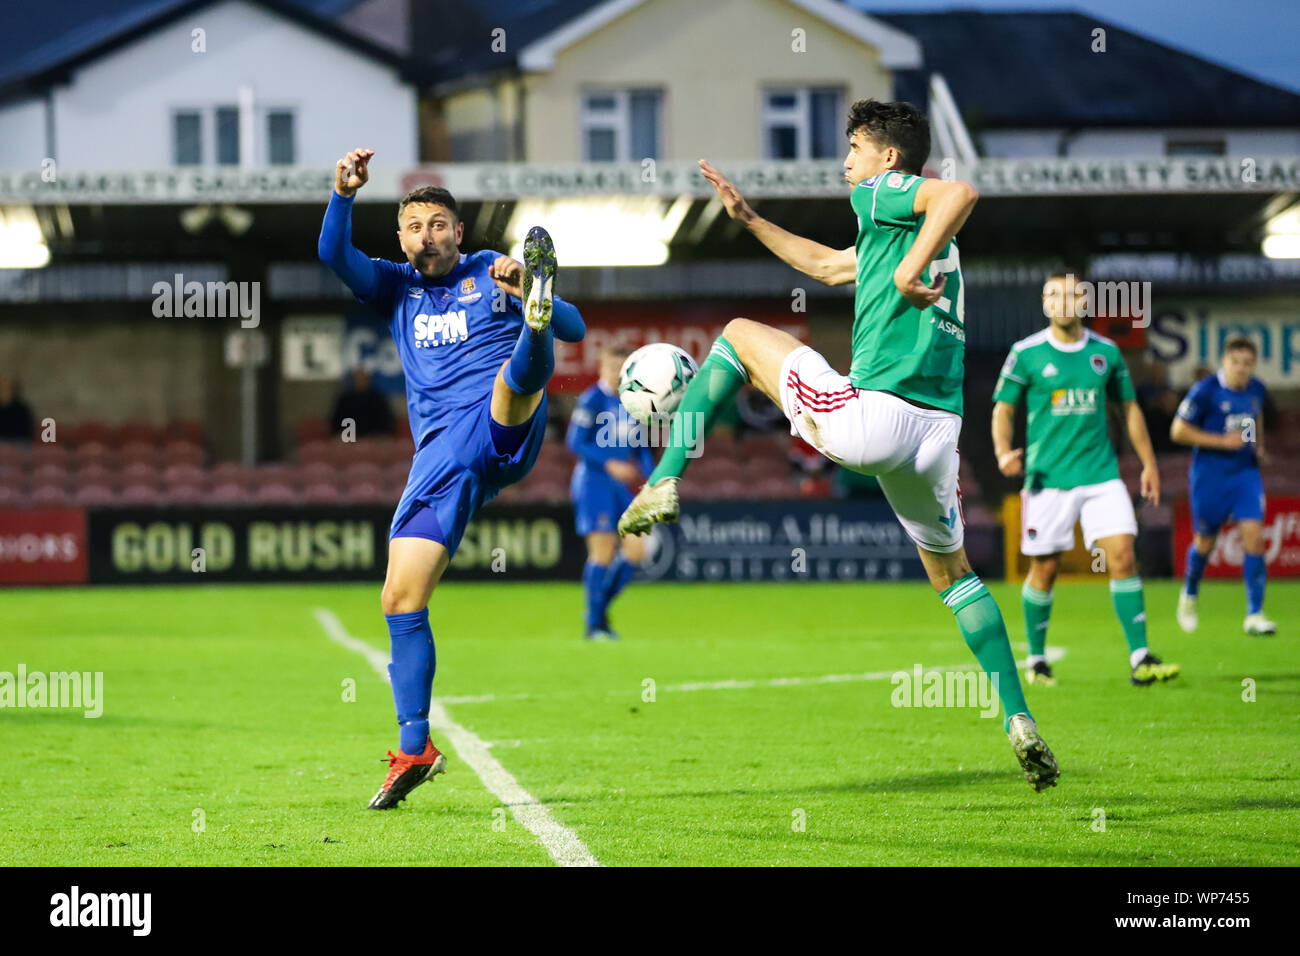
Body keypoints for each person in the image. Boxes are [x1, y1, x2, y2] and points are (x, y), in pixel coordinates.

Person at [618, 99, 1060, 793]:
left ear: (889, 158)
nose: (846, 161)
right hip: (936, 434)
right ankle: (1020, 719)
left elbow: (962, 190)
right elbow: (828, 269)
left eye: (855, 146)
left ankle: (664, 477)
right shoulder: (914, 233)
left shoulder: (881, 193)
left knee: (735, 334)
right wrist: (752, 220)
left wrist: (910, 270)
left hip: (875, 415)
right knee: (955, 577)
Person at [318, 147, 586, 808]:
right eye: (414, 227)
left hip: (502, 426)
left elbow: (578, 328)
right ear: (402, 238)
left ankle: (532, 328)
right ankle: (415, 747)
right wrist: (343, 196)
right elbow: (333, 255)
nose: (426, 236)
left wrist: (526, 287)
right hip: (440, 461)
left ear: (458, 232)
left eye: (438, 225)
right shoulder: (392, 286)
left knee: (514, 377)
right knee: (399, 599)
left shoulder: (492, 270)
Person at [992, 271, 1180, 688]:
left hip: (1100, 475)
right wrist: (1004, 451)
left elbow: (1129, 410)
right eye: (1056, 295)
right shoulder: (1026, 353)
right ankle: (1037, 659)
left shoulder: (1107, 353)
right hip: (1048, 480)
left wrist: (1148, 463)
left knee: (1123, 554)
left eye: (1074, 294)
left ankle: (1140, 657)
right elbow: (1003, 409)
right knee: (1045, 568)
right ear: (1045, 303)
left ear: (1085, 302)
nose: (1065, 301)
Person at [1172, 335, 1276, 635]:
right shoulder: (1206, 391)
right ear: (1224, 361)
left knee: (1254, 538)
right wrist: (1220, 441)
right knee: (1205, 542)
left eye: (1247, 363)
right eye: (1236, 362)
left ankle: (1254, 614)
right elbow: (1178, 430)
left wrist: (1259, 445)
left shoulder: (1256, 388)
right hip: (1210, 475)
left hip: (1245, 473)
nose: (1242, 369)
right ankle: (1189, 594)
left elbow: (1257, 417)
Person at [566, 346, 652, 640]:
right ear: (602, 366)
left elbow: (641, 449)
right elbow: (575, 443)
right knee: (601, 553)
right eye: (612, 366)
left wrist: (654, 480)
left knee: (637, 551)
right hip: (593, 483)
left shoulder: (634, 402)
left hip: (620, 488)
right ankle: (594, 625)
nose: (617, 372)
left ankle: (597, 611)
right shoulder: (592, 399)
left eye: (622, 367)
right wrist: (610, 464)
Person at [329, 367, 395, 438]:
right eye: (358, 379)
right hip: (349, 434)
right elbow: (336, 421)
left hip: (374, 435)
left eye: (364, 378)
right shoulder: (345, 399)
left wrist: (376, 432)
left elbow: (387, 420)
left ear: (368, 380)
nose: (361, 381)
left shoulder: (378, 398)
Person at [0, 375, 34, 444]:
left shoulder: (22, 409)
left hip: (18, 442)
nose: (4, 391)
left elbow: (26, 431)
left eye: (7, 388)